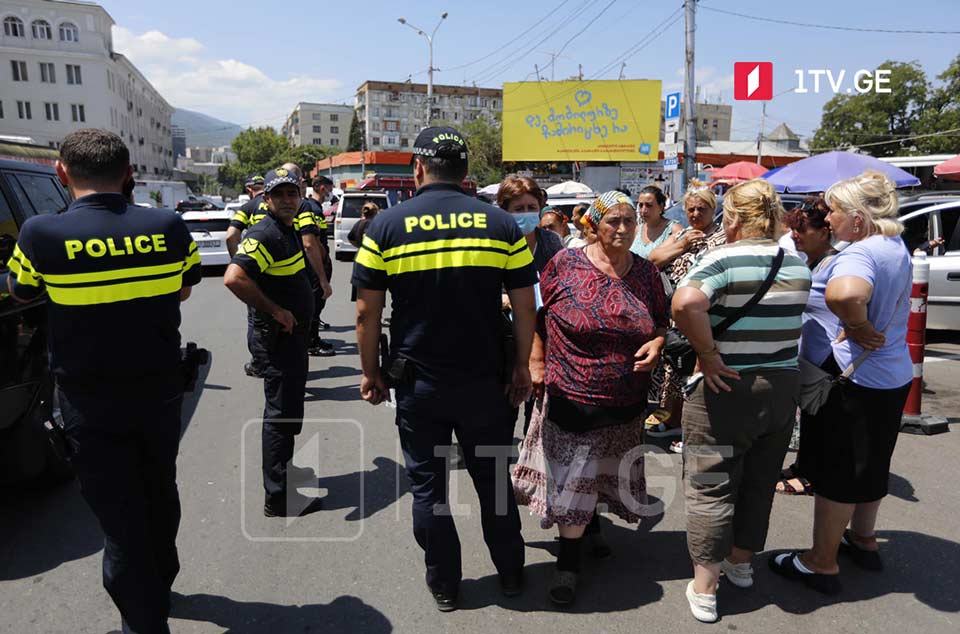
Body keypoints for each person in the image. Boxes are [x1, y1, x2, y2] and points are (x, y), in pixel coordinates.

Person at [2, 129, 201, 634]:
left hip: (89, 402)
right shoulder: (167, 224)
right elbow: (181, 290)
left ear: (62, 172)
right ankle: (161, 580)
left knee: (118, 515)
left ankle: (143, 621)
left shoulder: (41, 234)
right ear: (129, 173)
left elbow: (21, 291)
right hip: (158, 392)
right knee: (158, 490)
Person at [352, 126, 537, 612]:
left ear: (418, 168)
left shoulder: (385, 227)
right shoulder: (501, 224)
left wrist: (370, 372)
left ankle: (445, 584)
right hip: (486, 381)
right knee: (494, 481)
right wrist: (521, 364)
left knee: (429, 488)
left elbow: (366, 313)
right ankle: (512, 572)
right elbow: (524, 307)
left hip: (419, 385)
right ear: (466, 172)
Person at [512, 191, 668, 605]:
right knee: (573, 479)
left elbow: (661, 324)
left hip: (625, 400)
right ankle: (568, 565)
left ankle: (591, 527)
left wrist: (656, 343)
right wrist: (535, 359)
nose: (622, 228)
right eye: (613, 221)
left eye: (629, 221)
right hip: (572, 392)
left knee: (603, 471)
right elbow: (536, 317)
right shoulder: (564, 265)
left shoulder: (648, 275)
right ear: (593, 226)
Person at [671, 178, 811, 623]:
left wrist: (708, 354)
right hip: (781, 388)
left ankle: (706, 587)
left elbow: (686, 302)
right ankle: (742, 563)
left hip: (725, 387)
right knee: (758, 480)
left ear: (731, 217)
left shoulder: (722, 259)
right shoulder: (797, 262)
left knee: (712, 483)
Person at [770, 171, 913, 595]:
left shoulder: (859, 254)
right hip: (892, 375)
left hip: (856, 381)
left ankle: (821, 563)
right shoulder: (893, 244)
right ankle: (863, 540)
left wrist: (856, 322)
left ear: (856, 217)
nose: (826, 218)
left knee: (837, 474)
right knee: (871, 465)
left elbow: (844, 294)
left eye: (832, 211)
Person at [224, 168, 321, 518]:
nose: (286, 200)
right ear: (265, 199)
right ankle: (278, 497)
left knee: (289, 411)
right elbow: (234, 278)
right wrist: (276, 310)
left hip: (293, 341)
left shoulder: (288, 228)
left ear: (301, 196)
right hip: (279, 341)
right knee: (280, 416)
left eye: (291, 194)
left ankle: (285, 480)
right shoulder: (266, 233)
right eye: (278, 195)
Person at [646, 181, 727, 445]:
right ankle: (672, 421)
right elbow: (653, 261)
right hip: (674, 315)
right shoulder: (682, 235)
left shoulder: (722, 237)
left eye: (701, 209)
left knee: (697, 371)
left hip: (704, 315)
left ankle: (694, 430)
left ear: (712, 209)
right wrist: (681, 246)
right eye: (690, 209)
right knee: (673, 370)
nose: (694, 215)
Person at [777, 195, 838, 496]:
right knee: (811, 419)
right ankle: (803, 466)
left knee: (821, 422)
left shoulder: (834, 263)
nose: (795, 236)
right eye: (793, 230)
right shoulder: (812, 262)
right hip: (811, 356)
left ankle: (811, 474)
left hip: (828, 359)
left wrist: (857, 329)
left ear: (824, 232)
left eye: (803, 230)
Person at [280, 163, 334, 357]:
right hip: (309, 268)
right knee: (312, 305)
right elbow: (310, 243)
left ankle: (309, 341)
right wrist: (322, 277)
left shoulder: (300, 207)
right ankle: (310, 343)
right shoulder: (305, 207)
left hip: (299, 267)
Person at [227, 175, 271, 377]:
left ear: (249, 190)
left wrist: (238, 262)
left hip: (256, 267)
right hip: (285, 267)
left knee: (256, 318)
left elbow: (231, 235)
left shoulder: (248, 207)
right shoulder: (282, 203)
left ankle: (260, 364)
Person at [496, 176, 564, 274]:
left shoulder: (552, 241)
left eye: (531, 207)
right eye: (519, 209)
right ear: (505, 211)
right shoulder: (497, 243)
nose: (526, 213)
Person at [304, 175, 336, 337]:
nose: (332, 192)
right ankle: (312, 340)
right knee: (317, 301)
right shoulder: (314, 209)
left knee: (316, 301)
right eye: (330, 188)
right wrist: (324, 259)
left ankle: (312, 337)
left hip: (315, 263)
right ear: (323, 188)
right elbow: (315, 242)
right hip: (317, 264)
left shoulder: (313, 207)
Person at [630, 185, 682, 259]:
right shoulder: (637, 230)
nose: (643, 210)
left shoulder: (674, 229)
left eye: (649, 205)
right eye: (641, 205)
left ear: (661, 207)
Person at [347, 202, 380, 301]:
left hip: (360, 259)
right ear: (375, 213)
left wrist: (359, 245)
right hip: (374, 261)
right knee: (375, 293)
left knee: (360, 296)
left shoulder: (358, 224)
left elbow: (350, 238)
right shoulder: (376, 225)